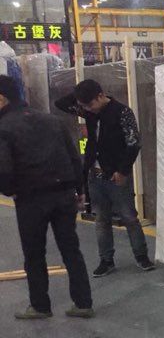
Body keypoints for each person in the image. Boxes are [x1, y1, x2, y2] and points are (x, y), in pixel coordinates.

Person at [0, 75, 94, 319]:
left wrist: (9, 190)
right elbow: (74, 158)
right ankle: (83, 303)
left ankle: (41, 306)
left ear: (2, 99)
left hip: (31, 199)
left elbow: (4, 169)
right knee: (71, 250)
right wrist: (79, 190)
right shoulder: (52, 120)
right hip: (63, 195)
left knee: (34, 254)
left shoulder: (4, 127)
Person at [56, 79, 155, 277]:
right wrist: (80, 94)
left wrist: (123, 171)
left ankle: (141, 256)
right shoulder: (89, 112)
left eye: (90, 104)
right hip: (94, 175)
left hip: (117, 176)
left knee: (129, 217)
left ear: (101, 96)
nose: (87, 109)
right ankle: (106, 260)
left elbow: (133, 143)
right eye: (84, 105)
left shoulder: (122, 112)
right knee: (101, 219)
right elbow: (61, 103)